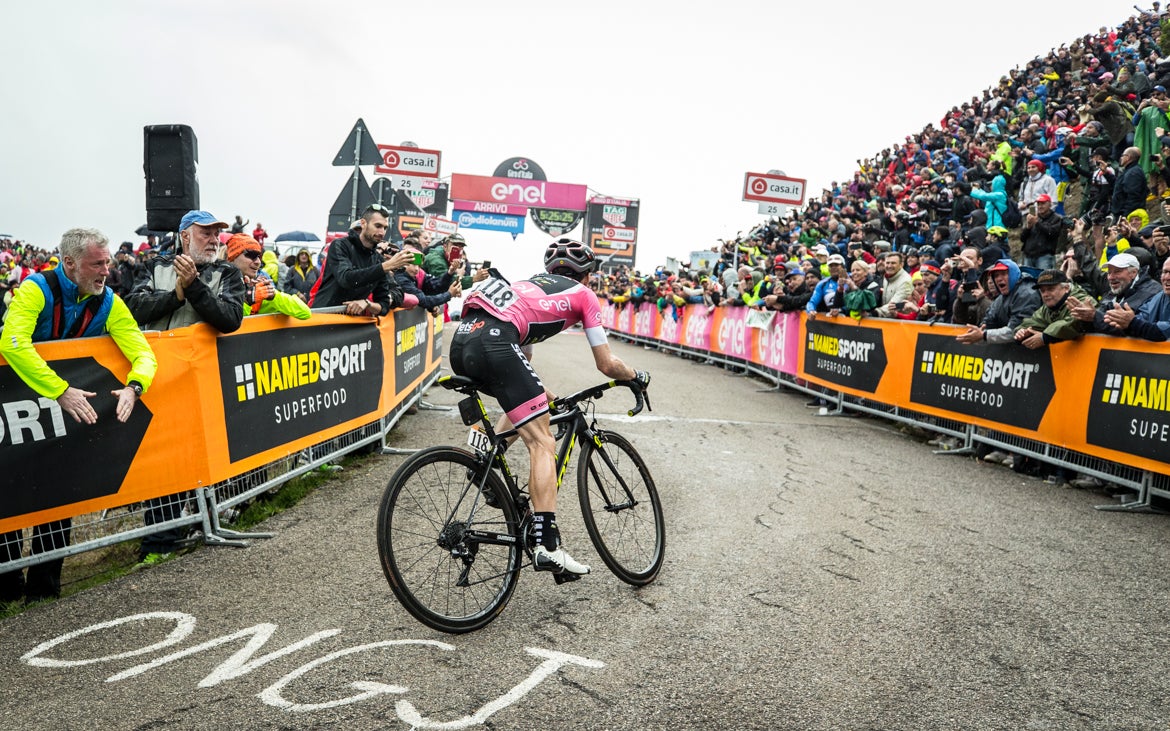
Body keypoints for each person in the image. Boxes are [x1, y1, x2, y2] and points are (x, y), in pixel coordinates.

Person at [448, 239, 649, 578]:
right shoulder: (584, 295)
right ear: (586, 275)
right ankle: (547, 546)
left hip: (464, 341)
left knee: (525, 409)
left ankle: (483, 463)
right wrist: (636, 376)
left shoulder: (526, 286)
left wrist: (549, 398)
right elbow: (606, 364)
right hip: (496, 341)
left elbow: (521, 368)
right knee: (542, 441)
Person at [0, 227, 157, 603]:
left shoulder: (109, 301)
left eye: (108, 262)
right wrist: (61, 390)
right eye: (97, 264)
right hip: (17, 409)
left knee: (57, 494)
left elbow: (144, 353)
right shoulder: (37, 289)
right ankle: (5, 593)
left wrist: (135, 387)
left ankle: (44, 592)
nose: (107, 271)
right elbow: (13, 341)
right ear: (69, 263)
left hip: (66, 411)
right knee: (10, 495)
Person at [125, 210, 246, 333]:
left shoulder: (228, 271)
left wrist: (194, 286)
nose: (215, 240)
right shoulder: (156, 266)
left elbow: (232, 320)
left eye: (216, 234)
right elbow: (132, 309)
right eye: (206, 234)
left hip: (203, 352)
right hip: (159, 352)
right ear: (185, 236)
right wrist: (174, 297)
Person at [308, 204, 412, 315]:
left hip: (353, 327)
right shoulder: (340, 245)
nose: (382, 232)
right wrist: (387, 266)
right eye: (377, 226)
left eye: (385, 228)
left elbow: (384, 305)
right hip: (324, 320)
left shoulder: (377, 259)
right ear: (363, 223)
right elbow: (346, 279)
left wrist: (367, 303)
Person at [1068, 252, 1162, 333]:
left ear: (1133, 273)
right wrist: (1084, 317)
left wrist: (1095, 316)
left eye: (1117, 272)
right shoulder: (1113, 293)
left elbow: (1124, 328)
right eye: (1109, 273)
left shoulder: (1151, 291)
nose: (1110, 277)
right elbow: (1100, 320)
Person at [955, 259, 1042, 344]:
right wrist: (981, 330)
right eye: (996, 275)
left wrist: (984, 335)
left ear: (1013, 274)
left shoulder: (1026, 293)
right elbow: (988, 321)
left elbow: (1016, 330)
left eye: (1004, 274)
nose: (999, 279)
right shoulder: (1001, 298)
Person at [225, 234, 310, 319]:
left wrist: (273, 295)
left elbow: (305, 313)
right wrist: (247, 301)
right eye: (251, 255)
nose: (258, 262)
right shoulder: (218, 284)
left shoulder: (258, 290)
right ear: (233, 257)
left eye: (259, 256)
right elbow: (227, 324)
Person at [1013, 269, 1090, 348]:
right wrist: (1022, 332)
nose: (1045, 294)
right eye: (1042, 291)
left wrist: (1045, 337)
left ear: (1066, 288)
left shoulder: (1081, 300)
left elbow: (1073, 322)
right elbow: (1034, 322)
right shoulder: (1046, 308)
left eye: (1050, 289)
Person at [1104, 258, 1170, 339]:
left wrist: (1133, 323)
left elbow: (1165, 331)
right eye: (1165, 272)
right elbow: (1141, 318)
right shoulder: (1158, 298)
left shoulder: (1152, 291)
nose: (1167, 277)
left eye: (1117, 271)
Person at [393, 245, 462, 310]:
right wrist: (449, 294)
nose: (417, 269)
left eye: (419, 266)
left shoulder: (419, 275)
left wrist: (450, 272)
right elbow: (424, 301)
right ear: (404, 263)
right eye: (414, 265)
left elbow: (436, 285)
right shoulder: (401, 279)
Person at [1019, 194, 1063, 270]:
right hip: (1028, 256)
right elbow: (1022, 238)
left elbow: (1052, 233)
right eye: (1038, 204)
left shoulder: (1056, 218)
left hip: (1044, 256)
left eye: (1043, 204)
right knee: (1028, 279)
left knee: (1044, 280)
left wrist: (1037, 223)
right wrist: (1028, 227)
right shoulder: (1033, 217)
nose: (1040, 206)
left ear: (1050, 204)